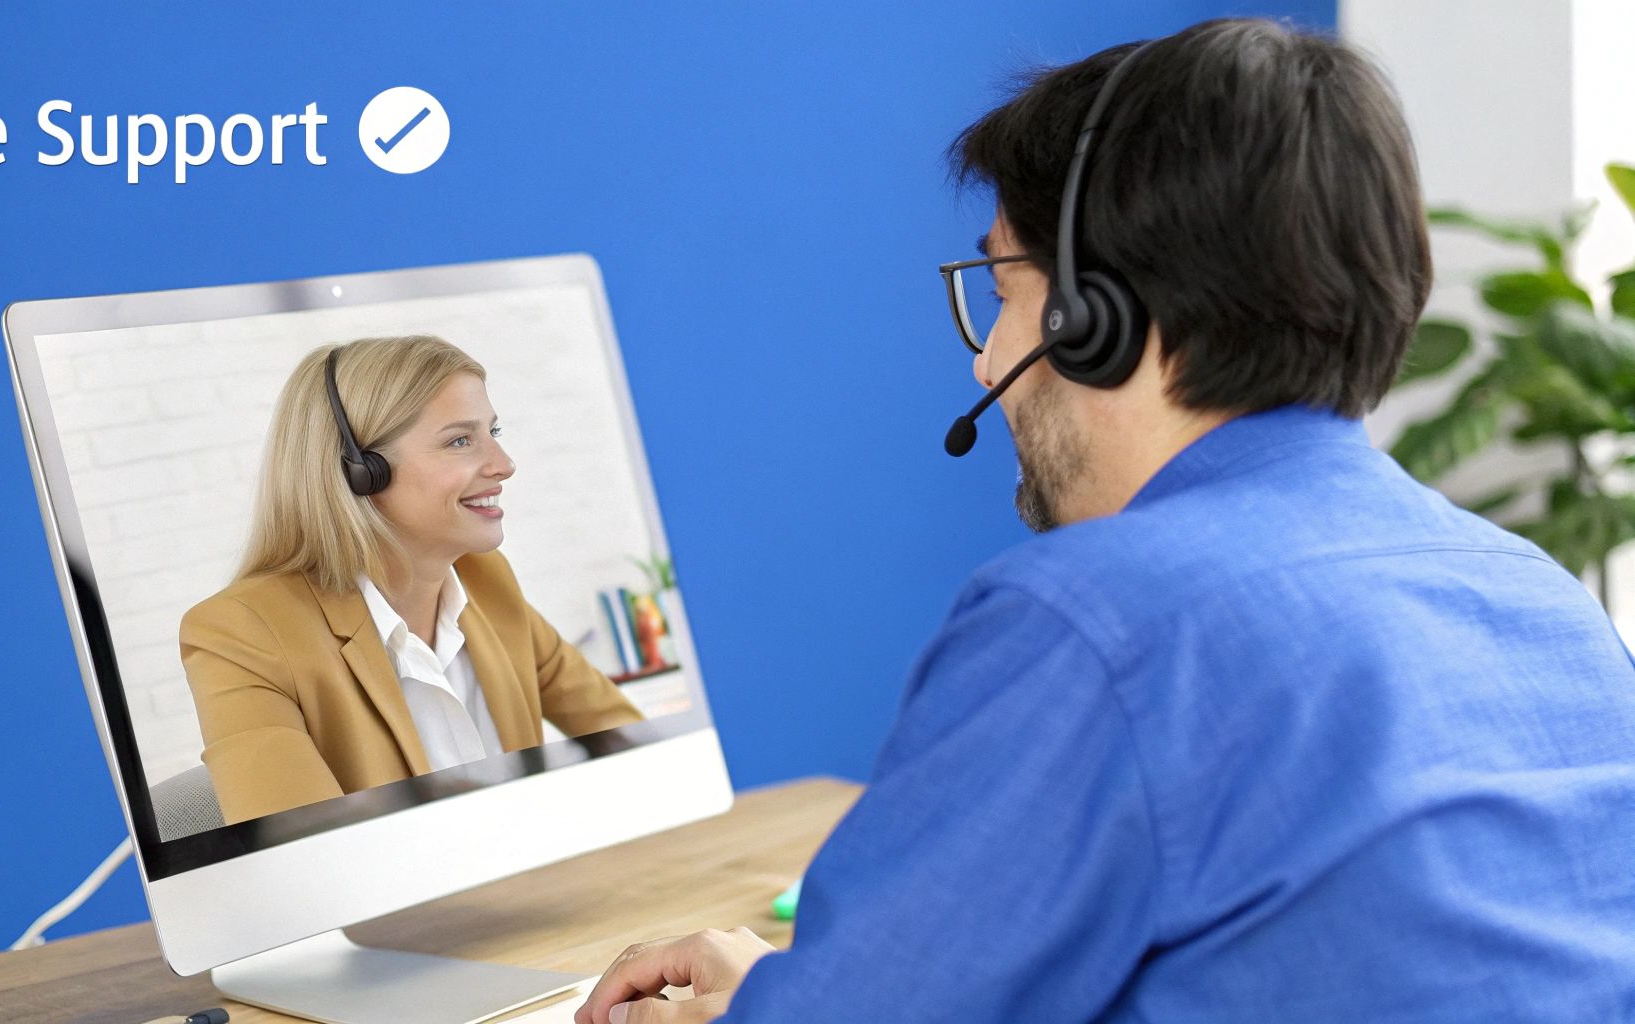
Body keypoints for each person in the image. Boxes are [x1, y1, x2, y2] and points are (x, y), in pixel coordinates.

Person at [577, 17, 1635, 1024]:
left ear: (1095, 320)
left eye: (1001, 287)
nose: (987, 360)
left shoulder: (1102, 619)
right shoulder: (1536, 596)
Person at [181, 336, 643, 825]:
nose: (504, 464)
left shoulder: (485, 583)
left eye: (494, 431)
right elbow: (305, 861)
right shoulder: (242, 633)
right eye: (460, 440)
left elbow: (633, 745)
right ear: (359, 472)